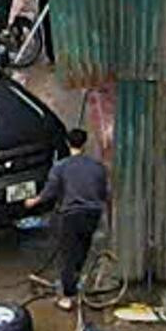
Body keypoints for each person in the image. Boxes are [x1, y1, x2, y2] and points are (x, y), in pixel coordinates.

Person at [37, 127, 110, 310]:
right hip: (92, 214)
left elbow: (50, 191)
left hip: (71, 215)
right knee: (82, 250)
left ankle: (68, 297)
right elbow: (104, 192)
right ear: (85, 144)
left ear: (68, 143)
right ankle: (76, 284)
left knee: (68, 254)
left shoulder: (61, 166)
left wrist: (33, 201)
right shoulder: (98, 167)